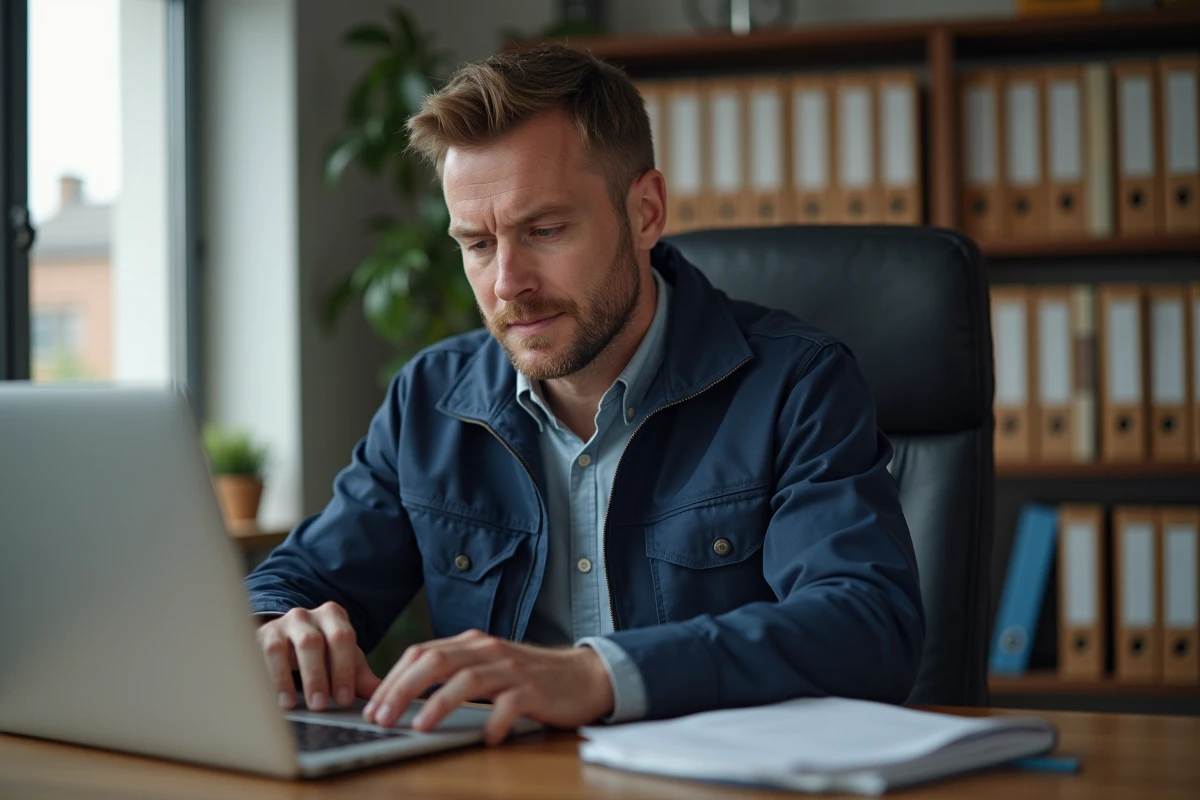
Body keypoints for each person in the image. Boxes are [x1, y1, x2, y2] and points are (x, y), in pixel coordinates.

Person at [246, 44, 924, 746]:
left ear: (645, 212)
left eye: (543, 230)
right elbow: (302, 577)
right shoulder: (429, 398)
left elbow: (867, 623)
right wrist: (276, 625)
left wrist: (598, 675)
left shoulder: (796, 384)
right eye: (477, 244)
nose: (508, 283)